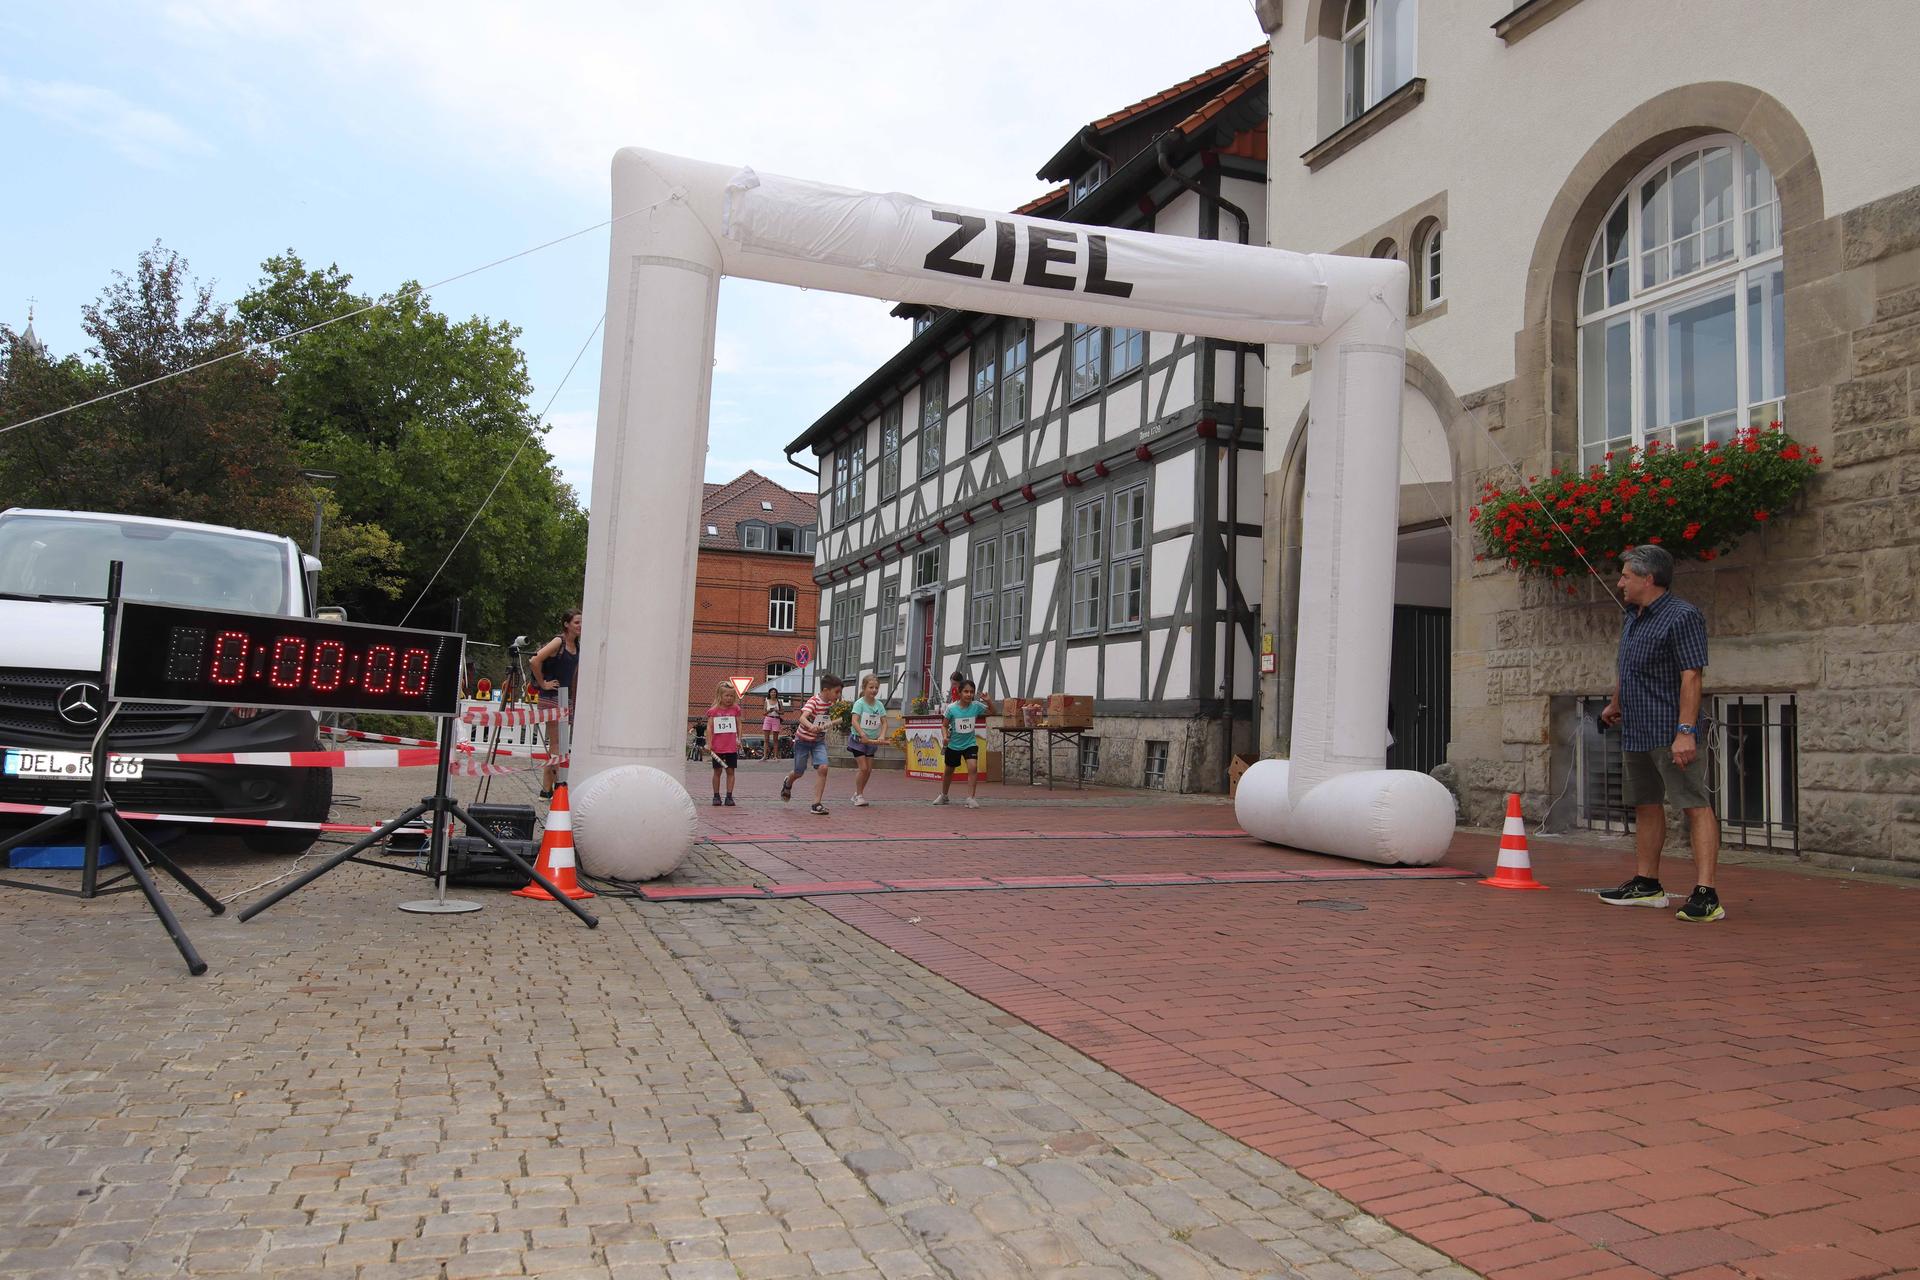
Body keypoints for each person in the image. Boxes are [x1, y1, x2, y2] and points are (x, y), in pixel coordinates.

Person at [1598, 544, 1721, 923]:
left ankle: (1706, 895)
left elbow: (1692, 675)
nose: (1620, 582)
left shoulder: (1682, 616)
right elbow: (1628, 666)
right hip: (1637, 727)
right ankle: (1647, 885)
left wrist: (1685, 731)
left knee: (1693, 804)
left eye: (1626, 576)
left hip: (1671, 731)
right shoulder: (1632, 616)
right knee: (1645, 803)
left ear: (1648, 579)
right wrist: (1615, 703)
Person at [530, 607, 581, 799]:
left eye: (582, 622)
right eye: (577, 622)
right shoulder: (558, 642)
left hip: (565, 697)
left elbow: (573, 676)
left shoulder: (577, 647)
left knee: (557, 743)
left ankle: (546, 788)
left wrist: (574, 701)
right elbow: (534, 661)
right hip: (551, 696)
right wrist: (543, 682)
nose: (580, 626)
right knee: (557, 744)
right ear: (566, 624)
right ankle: (559, 783)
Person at [780, 671, 842, 816]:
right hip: (803, 741)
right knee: (798, 772)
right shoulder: (813, 701)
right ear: (826, 690)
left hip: (818, 742)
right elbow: (802, 718)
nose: (838, 695)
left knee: (823, 768)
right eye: (836, 692)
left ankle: (816, 804)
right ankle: (788, 782)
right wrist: (810, 725)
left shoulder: (832, 705)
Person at [933, 677, 984, 808]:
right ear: (960, 692)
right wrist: (945, 736)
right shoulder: (951, 708)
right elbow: (944, 725)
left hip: (970, 743)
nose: (969, 694)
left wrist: (989, 701)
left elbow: (993, 712)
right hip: (954, 745)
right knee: (949, 770)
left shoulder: (976, 706)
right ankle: (944, 795)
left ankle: (971, 798)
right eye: (966, 691)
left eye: (972, 692)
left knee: (973, 767)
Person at [847, 673, 886, 807]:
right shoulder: (859, 704)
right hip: (858, 740)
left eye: (876, 688)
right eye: (871, 687)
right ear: (864, 688)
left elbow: (884, 722)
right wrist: (862, 733)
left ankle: (858, 793)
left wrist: (882, 735)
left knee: (868, 770)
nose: (874, 690)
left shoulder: (879, 705)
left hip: (872, 741)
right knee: (863, 768)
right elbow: (854, 720)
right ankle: (859, 795)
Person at [705, 682, 742, 807]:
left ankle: (729, 796)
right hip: (718, 747)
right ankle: (716, 795)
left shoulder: (735, 709)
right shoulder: (713, 711)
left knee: (730, 771)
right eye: (726, 696)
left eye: (731, 696)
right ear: (720, 696)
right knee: (717, 771)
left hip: (731, 747)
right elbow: (709, 728)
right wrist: (709, 743)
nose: (729, 699)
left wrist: (739, 739)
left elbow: (739, 724)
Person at [762, 688, 786, 759]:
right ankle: (765, 756)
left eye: (774, 692)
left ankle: (775, 756)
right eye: (771, 692)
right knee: (766, 739)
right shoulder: (767, 701)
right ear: (769, 693)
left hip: (776, 719)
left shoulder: (779, 701)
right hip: (768, 718)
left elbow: (783, 712)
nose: (773, 693)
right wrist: (769, 711)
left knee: (775, 739)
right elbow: (764, 713)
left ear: (776, 693)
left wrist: (777, 711)